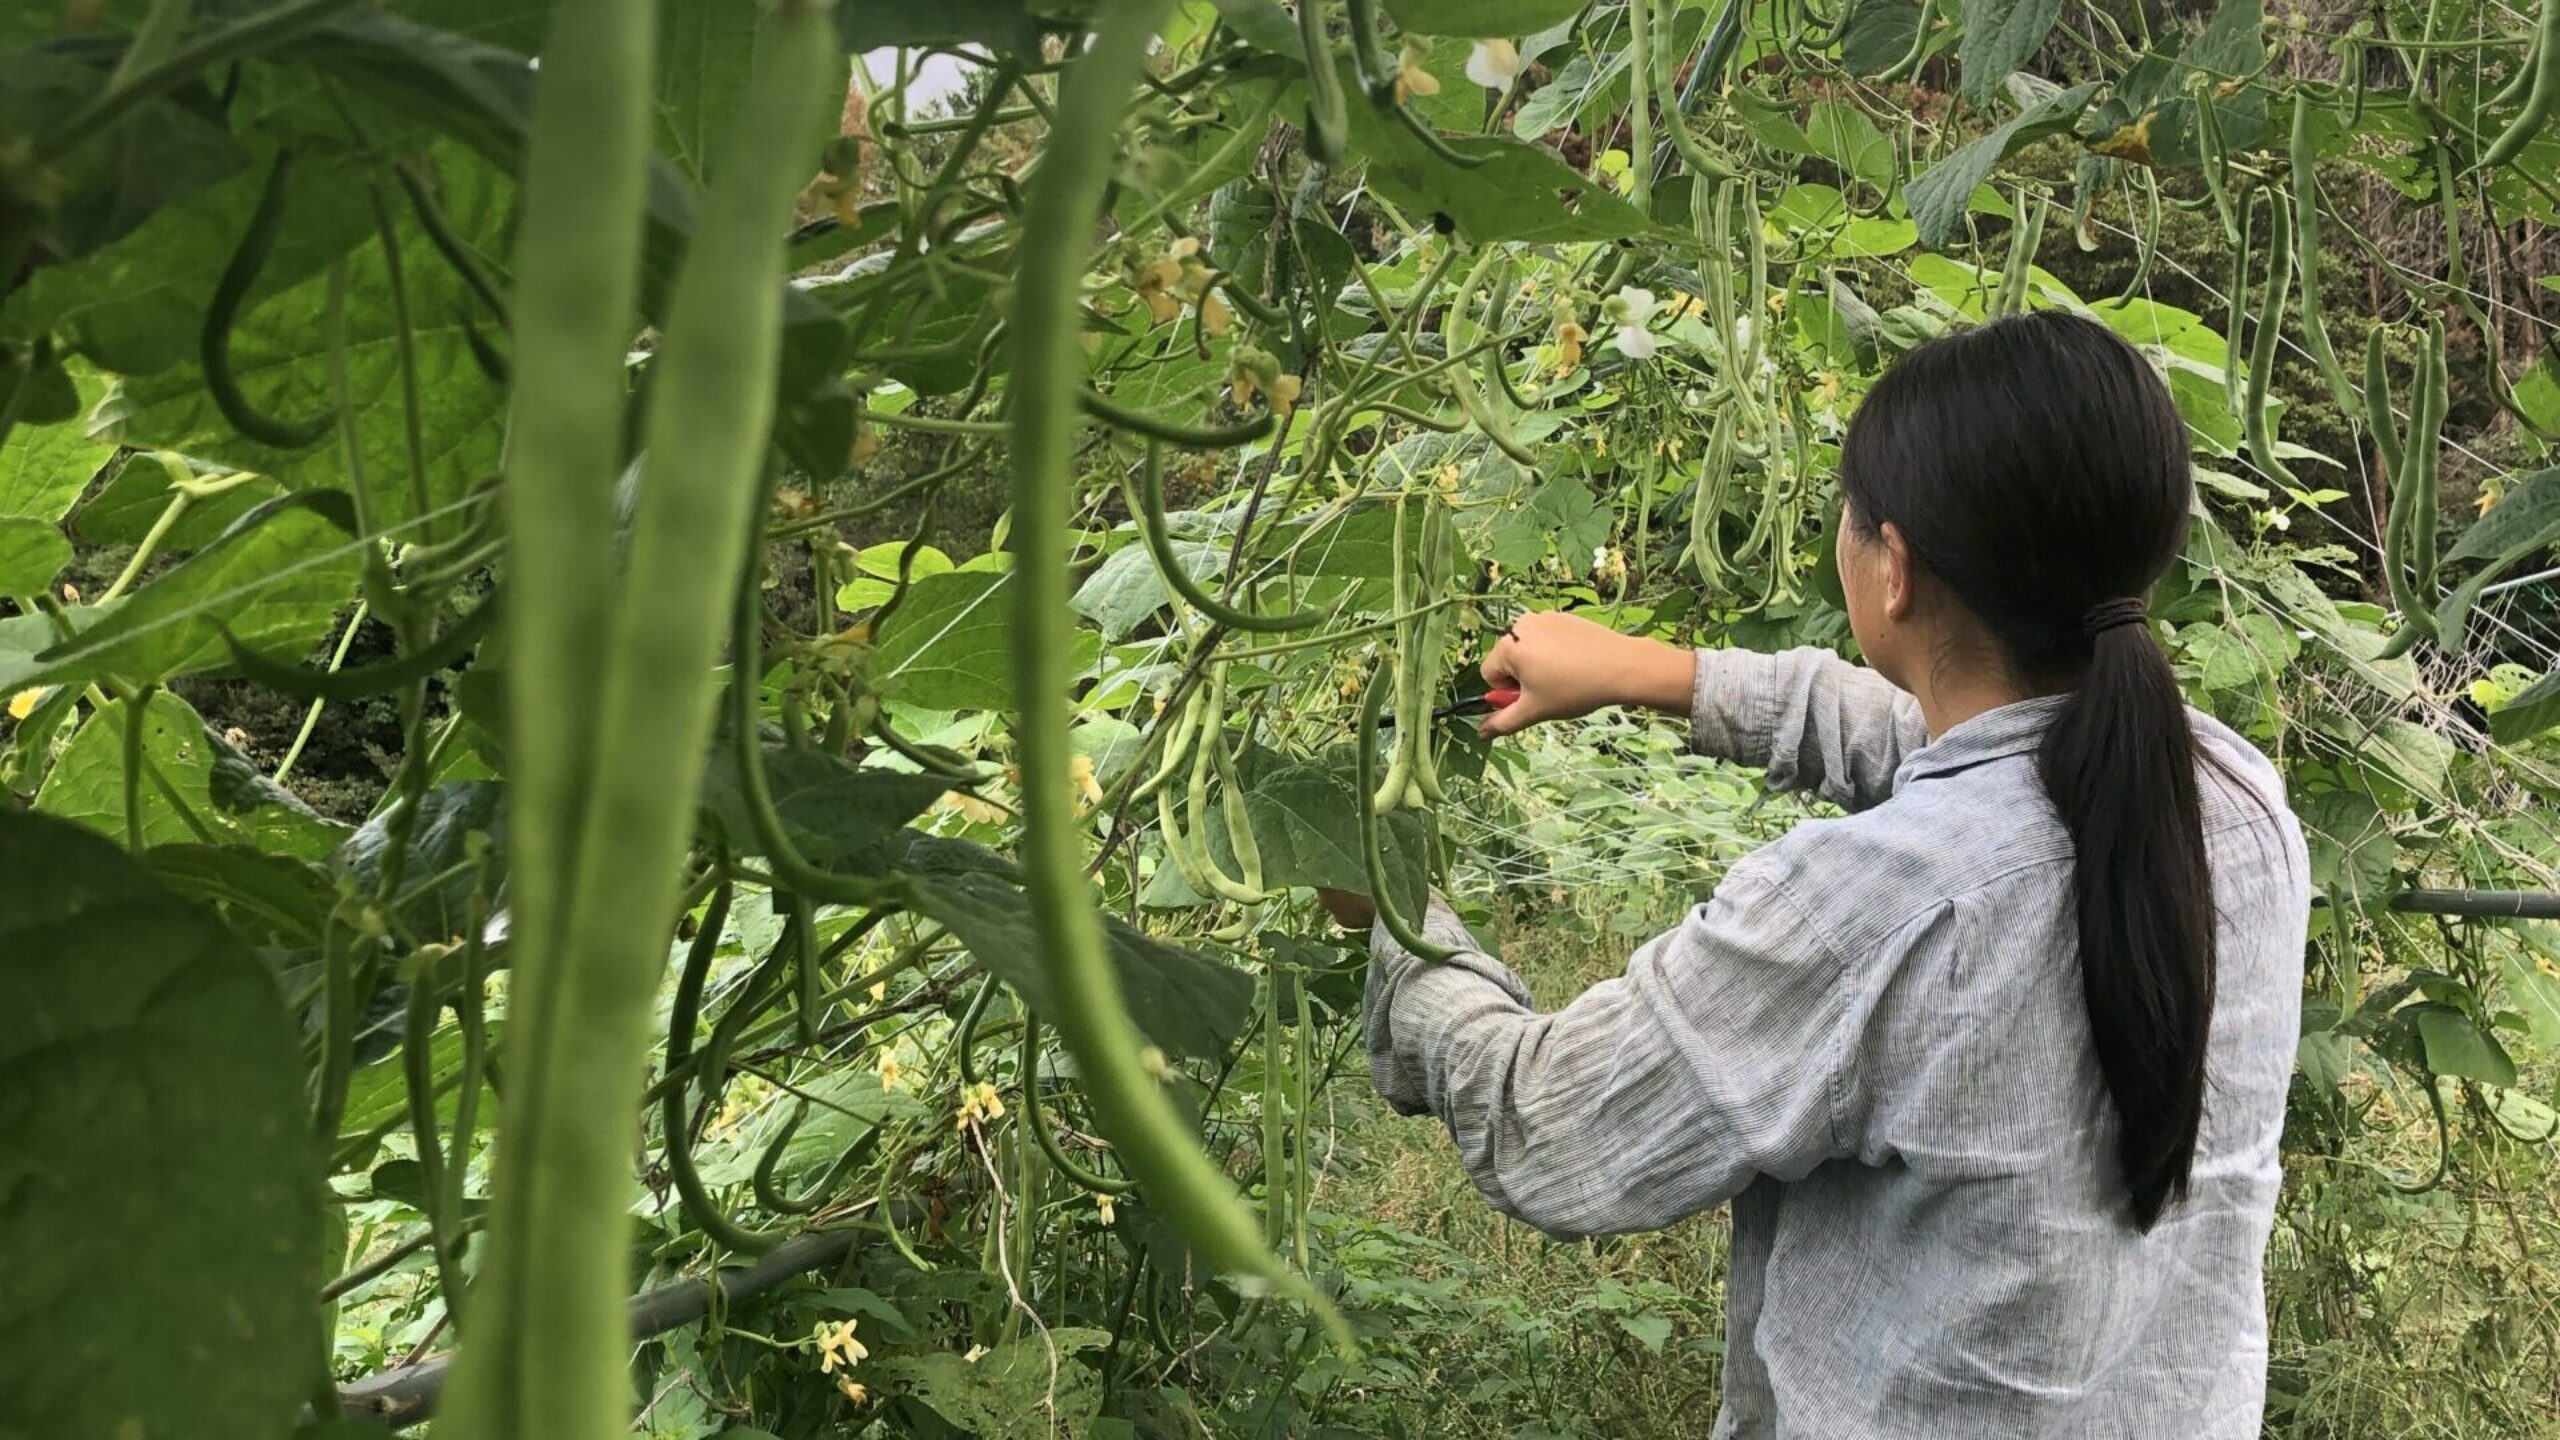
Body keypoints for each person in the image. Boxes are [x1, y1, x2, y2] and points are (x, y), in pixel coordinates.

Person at [1316, 311, 2310, 1438]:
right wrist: (1655, 673)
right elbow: (1944, 746)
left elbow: (1549, 1120)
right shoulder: (2231, 801)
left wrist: (1394, 913)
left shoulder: (1867, 911)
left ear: (1892, 570)